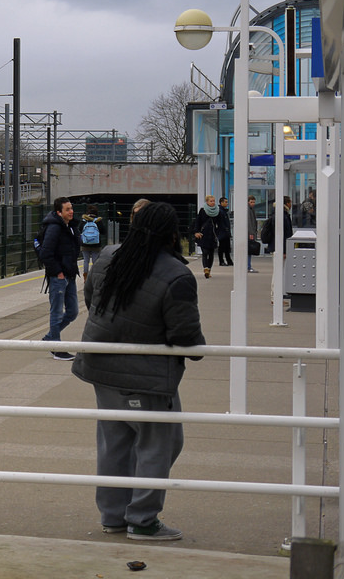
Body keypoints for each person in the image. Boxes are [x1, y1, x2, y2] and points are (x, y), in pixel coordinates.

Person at [73, 201, 205, 542]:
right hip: (146, 378)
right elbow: (185, 335)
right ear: (172, 233)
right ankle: (143, 519)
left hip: (100, 365)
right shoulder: (177, 274)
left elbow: (92, 301)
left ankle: (113, 515)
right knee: (161, 444)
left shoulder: (108, 256)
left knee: (114, 443)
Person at [39, 196, 81, 361]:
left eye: (71, 208)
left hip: (69, 274)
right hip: (59, 277)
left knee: (72, 312)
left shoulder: (70, 226)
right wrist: (58, 272)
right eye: (67, 209)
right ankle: (56, 347)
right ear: (59, 212)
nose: (71, 212)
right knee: (56, 312)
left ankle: (50, 338)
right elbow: (45, 253)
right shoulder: (54, 228)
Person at [192, 195, 227, 279]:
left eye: (214, 201)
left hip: (213, 235)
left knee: (211, 253)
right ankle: (205, 268)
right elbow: (198, 222)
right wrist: (196, 232)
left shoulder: (218, 211)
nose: (213, 202)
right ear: (207, 202)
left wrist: (219, 234)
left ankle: (209, 270)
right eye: (211, 201)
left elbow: (221, 224)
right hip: (203, 234)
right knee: (205, 252)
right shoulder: (203, 210)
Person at [79, 204, 106, 278]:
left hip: (85, 244)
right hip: (96, 245)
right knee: (95, 261)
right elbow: (103, 231)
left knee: (86, 261)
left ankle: (85, 277)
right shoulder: (98, 221)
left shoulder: (84, 220)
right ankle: (94, 277)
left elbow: (79, 229)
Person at [216, 197, 233, 266]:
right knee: (222, 247)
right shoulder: (220, 211)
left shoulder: (224, 211)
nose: (227, 203)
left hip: (226, 232)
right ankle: (221, 261)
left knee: (227, 247)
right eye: (225, 202)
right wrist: (225, 229)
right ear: (221, 203)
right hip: (222, 232)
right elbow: (221, 222)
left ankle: (229, 260)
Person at [247, 195, 259, 273]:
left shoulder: (251, 209)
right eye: (251, 202)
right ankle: (248, 266)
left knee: (249, 251)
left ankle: (248, 266)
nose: (253, 203)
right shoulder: (248, 210)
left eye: (254, 202)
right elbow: (249, 223)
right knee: (249, 251)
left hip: (251, 232)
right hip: (249, 233)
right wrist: (251, 233)